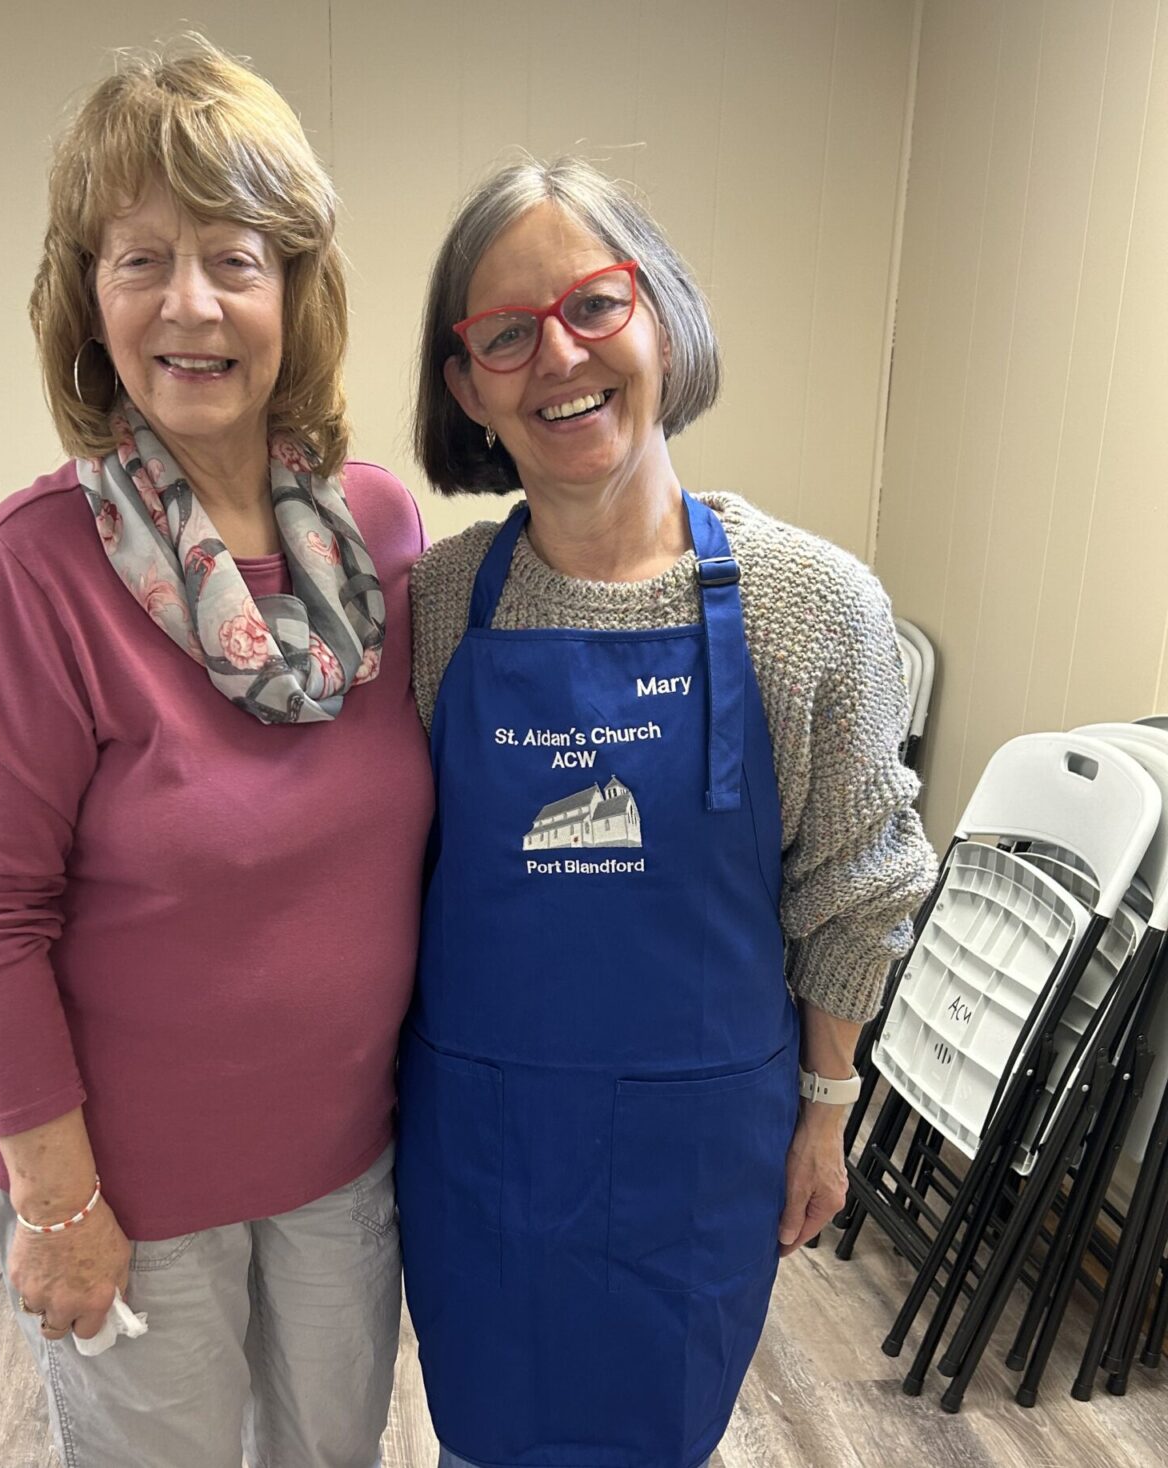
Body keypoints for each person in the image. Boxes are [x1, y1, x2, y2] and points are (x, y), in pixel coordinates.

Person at [0, 42, 433, 1468]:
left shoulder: (381, 535)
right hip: (131, 1198)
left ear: (297, 293)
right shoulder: (31, 572)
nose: (191, 301)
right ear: (89, 299)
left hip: (349, 1169)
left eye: (235, 256)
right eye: (142, 256)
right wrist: (59, 1205)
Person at [399, 157, 937, 1468]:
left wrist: (827, 1106)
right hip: (482, 1151)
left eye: (593, 305)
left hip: (697, 1158)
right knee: (486, 1441)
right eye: (506, 335)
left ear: (661, 317)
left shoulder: (811, 604)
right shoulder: (434, 607)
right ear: (467, 386)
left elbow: (857, 887)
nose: (558, 358)